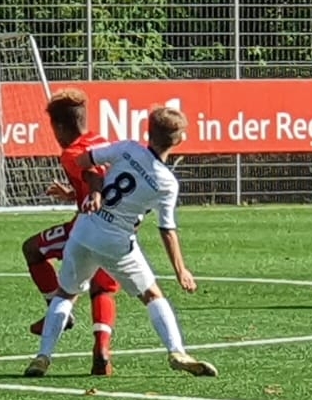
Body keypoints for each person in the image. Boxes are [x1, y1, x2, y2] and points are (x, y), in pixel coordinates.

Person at [24, 106, 214, 378]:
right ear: (180, 140)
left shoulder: (127, 148)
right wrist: (181, 270)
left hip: (84, 229)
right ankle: (176, 351)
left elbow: (85, 162)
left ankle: (43, 357)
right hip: (117, 242)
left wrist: (90, 192)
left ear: (148, 131)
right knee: (152, 296)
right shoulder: (167, 183)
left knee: (65, 294)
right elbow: (167, 230)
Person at [21, 89, 121, 376]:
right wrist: (72, 193)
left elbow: (93, 175)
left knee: (32, 249)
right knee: (102, 287)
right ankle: (102, 350)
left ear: (60, 127)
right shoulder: (101, 141)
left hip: (86, 226)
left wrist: (93, 193)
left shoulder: (72, 153)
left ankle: (55, 312)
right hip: (118, 227)